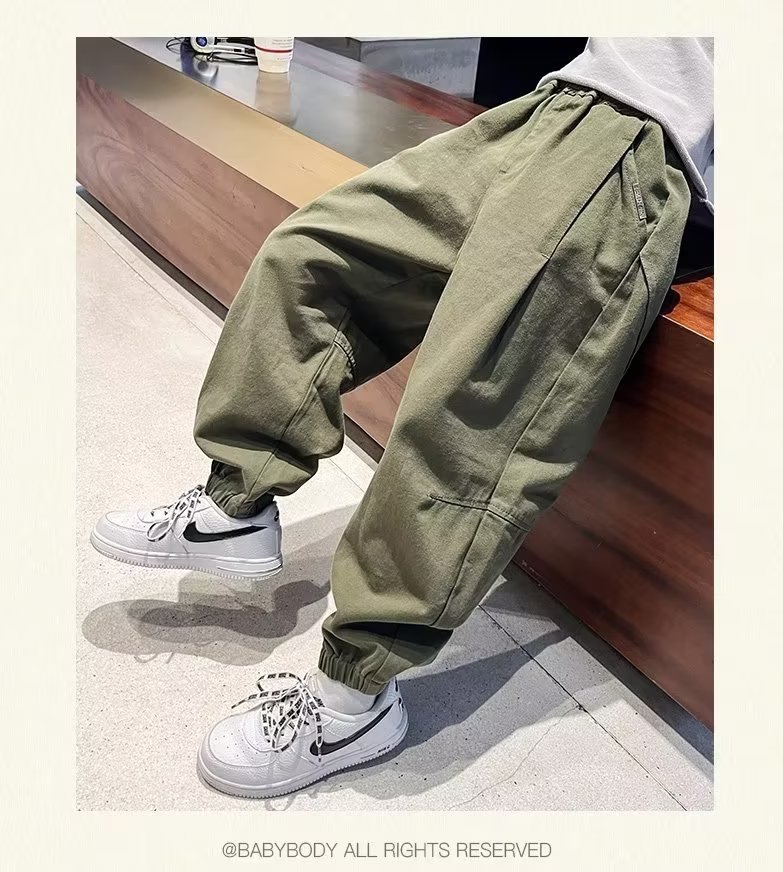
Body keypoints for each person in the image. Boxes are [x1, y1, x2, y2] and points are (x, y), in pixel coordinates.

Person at [90, 37, 713, 798]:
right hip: (561, 101)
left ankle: (352, 701)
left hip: (647, 141)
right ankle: (236, 507)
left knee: (472, 411)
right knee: (311, 257)